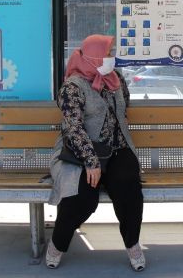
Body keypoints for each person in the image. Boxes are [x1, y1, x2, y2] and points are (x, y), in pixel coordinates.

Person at [46, 34, 145, 271]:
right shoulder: (73, 87)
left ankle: (132, 243)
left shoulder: (115, 78)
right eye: (108, 53)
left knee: (128, 187)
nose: (112, 57)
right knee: (81, 197)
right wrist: (91, 162)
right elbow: (73, 128)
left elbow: (124, 104)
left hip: (117, 147)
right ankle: (58, 243)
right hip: (81, 151)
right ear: (94, 57)